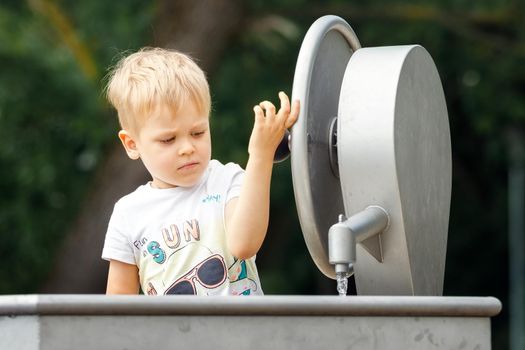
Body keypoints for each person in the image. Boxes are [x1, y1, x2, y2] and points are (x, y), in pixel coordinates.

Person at [101, 47, 299, 296]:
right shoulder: (128, 213)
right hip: (175, 336)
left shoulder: (227, 180)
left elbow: (244, 244)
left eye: (198, 133)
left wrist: (260, 156)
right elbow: (117, 310)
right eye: (168, 139)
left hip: (243, 334)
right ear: (132, 144)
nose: (187, 148)